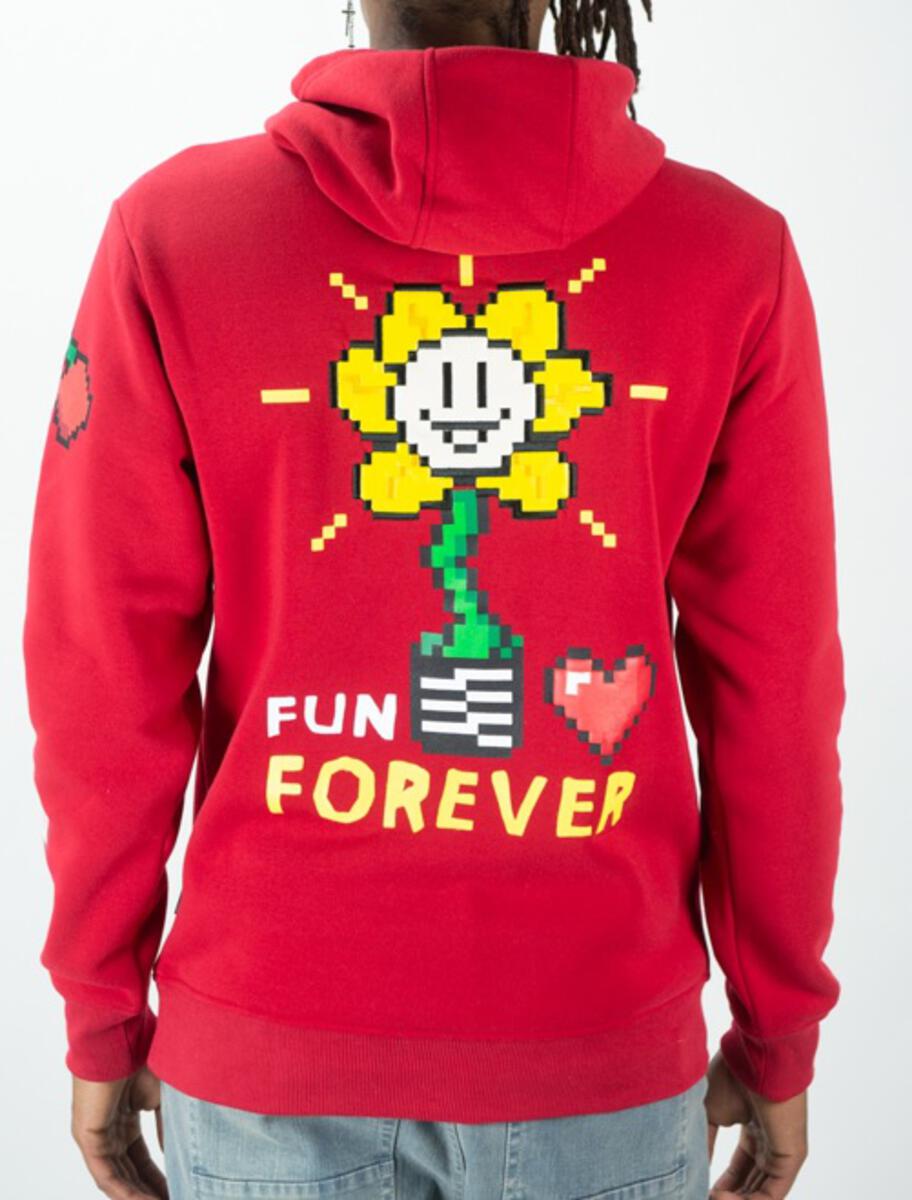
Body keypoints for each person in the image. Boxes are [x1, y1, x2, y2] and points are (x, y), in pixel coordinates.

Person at [22, 1, 846, 1197]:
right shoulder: (730, 256)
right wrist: (778, 1034)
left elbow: (99, 665)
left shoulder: (175, 235)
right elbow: (777, 690)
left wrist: (101, 1010)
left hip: (265, 1060)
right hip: (602, 1067)